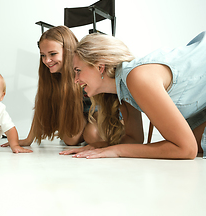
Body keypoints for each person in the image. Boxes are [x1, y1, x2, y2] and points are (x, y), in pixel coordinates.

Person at [60, 32, 206, 160]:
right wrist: (100, 146)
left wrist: (116, 151)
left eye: (78, 70)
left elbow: (186, 150)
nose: (75, 79)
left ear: (100, 67)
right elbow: (134, 138)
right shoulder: (123, 88)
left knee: (192, 145)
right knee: (200, 144)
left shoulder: (136, 77)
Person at [2, 26, 101, 148]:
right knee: (70, 140)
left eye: (52, 54)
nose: (47, 60)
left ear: (69, 51)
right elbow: (41, 106)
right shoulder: (52, 77)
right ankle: (87, 133)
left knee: (92, 135)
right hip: (78, 114)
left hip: (98, 112)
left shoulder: (84, 70)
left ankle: (95, 134)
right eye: (43, 55)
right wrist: (28, 140)